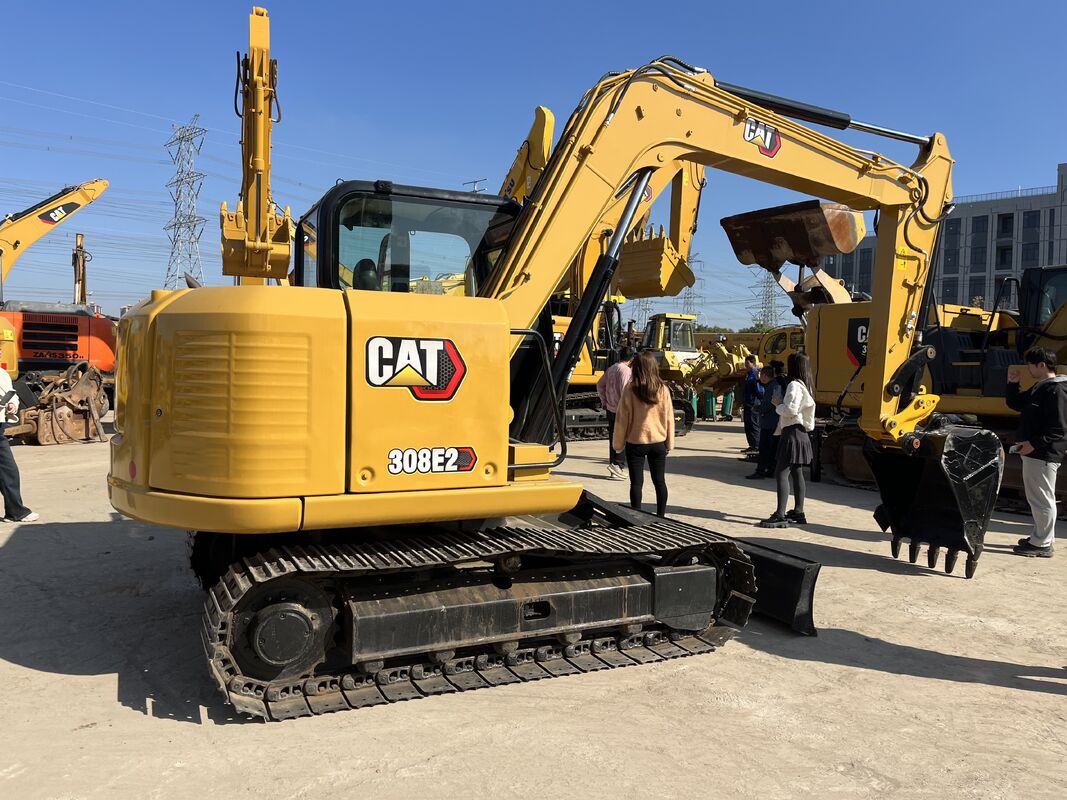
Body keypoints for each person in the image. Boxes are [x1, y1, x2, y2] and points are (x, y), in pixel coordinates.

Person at [1006, 347, 1067, 557]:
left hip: (1043, 453)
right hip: (1036, 452)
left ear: (1041, 365)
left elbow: (1059, 428)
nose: (1028, 369)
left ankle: (1041, 544)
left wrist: (1034, 444)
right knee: (1038, 498)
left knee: (1042, 499)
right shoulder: (1041, 387)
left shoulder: (1056, 391)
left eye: (1030, 365)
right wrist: (1013, 384)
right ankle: (1040, 538)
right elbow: (1016, 403)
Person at [612, 351, 675, 516]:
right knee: (660, 481)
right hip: (658, 443)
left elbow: (621, 419)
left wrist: (618, 445)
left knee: (636, 483)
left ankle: (637, 515)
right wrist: (669, 443)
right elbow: (669, 418)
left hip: (636, 442)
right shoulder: (663, 389)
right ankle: (661, 515)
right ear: (654, 367)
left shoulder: (630, 389)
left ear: (637, 368)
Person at [760, 352, 815, 527]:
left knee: (781, 473)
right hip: (801, 433)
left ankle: (780, 513)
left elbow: (790, 410)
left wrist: (777, 404)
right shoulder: (805, 385)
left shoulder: (793, 385)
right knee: (797, 472)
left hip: (791, 433)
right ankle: (798, 511)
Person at [0, 368, 37, 523]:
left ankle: (15, 510)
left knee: (7, 470)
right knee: (7, 469)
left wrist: (12, 405)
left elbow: (11, 393)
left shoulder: (2, 374)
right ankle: (16, 511)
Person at [596, 346, 635, 480]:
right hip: (621, 410)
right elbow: (625, 391)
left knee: (613, 439)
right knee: (622, 439)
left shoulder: (611, 368)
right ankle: (618, 465)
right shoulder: (626, 371)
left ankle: (613, 466)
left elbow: (600, 385)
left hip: (611, 409)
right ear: (631, 358)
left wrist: (604, 401)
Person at [747, 360, 787, 479]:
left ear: (764, 375)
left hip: (769, 422)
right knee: (772, 449)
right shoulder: (778, 384)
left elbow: (769, 404)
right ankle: (771, 469)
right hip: (775, 421)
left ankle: (761, 471)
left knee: (765, 448)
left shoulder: (772, 387)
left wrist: (758, 408)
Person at [741, 354, 763, 454]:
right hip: (747, 404)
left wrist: (756, 403)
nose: (746, 365)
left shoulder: (755, 374)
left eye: (747, 363)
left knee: (754, 425)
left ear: (753, 363)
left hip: (753, 404)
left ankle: (756, 446)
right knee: (748, 426)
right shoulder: (748, 374)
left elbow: (759, 390)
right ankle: (751, 445)